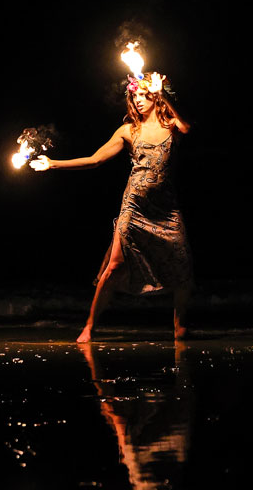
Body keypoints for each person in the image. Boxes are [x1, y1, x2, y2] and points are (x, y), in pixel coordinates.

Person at [31, 71, 194, 342]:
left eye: (144, 95)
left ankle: (179, 328)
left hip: (166, 208)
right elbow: (95, 160)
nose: (138, 100)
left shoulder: (172, 124)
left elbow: (188, 127)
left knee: (182, 263)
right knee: (115, 266)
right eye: (135, 96)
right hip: (134, 205)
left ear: (155, 96)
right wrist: (53, 164)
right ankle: (89, 327)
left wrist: (163, 93)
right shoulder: (128, 130)